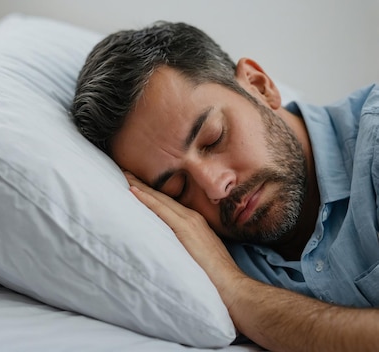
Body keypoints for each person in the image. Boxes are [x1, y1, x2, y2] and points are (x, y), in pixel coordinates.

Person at [71, 21, 379, 352]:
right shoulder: (201, 254)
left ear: (260, 86)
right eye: (177, 187)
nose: (216, 188)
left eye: (214, 137)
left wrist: (237, 290)